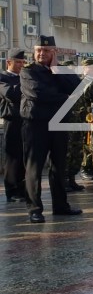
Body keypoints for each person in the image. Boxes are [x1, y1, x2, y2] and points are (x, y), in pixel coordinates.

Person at [19, 36, 83, 223]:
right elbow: (37, 93)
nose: (42, 53)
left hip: (58, 123)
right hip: (35, 124)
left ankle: (61, 206)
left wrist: (57, 70)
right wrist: (65, 98)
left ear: (53, 52)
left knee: (59, 167)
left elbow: (77, 88)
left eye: (46, 51)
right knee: (34, 167)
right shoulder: (27, 71)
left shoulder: (61, 70)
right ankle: (35, 209)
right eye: (39, 50)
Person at [61, 59, 93, 192]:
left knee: (77, 152)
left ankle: (72, 178)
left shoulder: (78, 85)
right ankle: (63, 181)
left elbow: (84, 103)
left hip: (79, 123)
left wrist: (89, 111)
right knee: (66, 153)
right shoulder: (61, 86)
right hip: (67, 124)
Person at [0, 50, 28, 202]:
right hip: (12, 119)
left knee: (24, 156)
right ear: (8, 62)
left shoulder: (23, 77)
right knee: (12, 157)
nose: (21, 65)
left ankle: (22, 189)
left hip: (26, 119)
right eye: (18, 62)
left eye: (23, 62)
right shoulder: (3, 77)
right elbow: (11, 94)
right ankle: (12, 191)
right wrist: (26, 86)